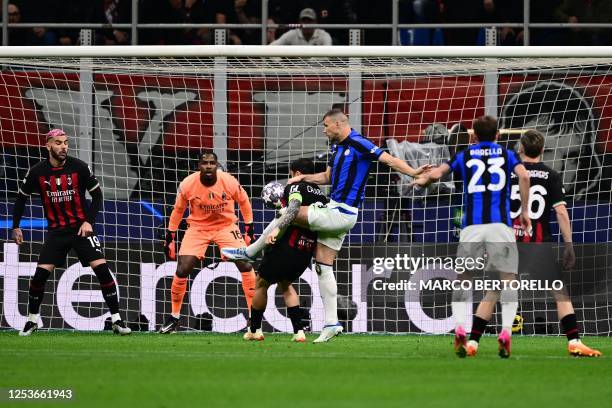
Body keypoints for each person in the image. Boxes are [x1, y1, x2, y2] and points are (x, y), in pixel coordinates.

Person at [224, 109, 431, 342]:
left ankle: (250, 252)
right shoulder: (335, 148)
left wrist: (414, 172)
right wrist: (303, 178)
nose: (324, 129)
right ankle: (332, 323)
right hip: (336, 211)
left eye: (326, 125)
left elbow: (389, 159)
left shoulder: (358, 142)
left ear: (338, 124)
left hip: (342, 212)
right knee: (323, 266)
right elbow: (327, 177)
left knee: (288, 212)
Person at [465, 130, 602, 357]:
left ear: (520, 148)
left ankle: (473, 343)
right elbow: (561, 213)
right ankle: (574, 341)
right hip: (537, 244)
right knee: (560, 293)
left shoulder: (508, 172)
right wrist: (569, 245)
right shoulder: (551, 175)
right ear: (542, 150)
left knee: (492, 293)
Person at [411, 115, 532, 358]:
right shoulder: (507, 154)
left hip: (472, 227)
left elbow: (437, 175)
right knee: (508, 278)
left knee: (463, 278)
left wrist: (421, 180)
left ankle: (459, 328)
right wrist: (525, 212)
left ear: (474, 136)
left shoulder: (463, 155)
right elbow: (525, 176)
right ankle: (506, 330)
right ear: (497, 135)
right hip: (500, 225)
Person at [11, 129, 131, 336]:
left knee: (102, 270)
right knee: (39, 276)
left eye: (66, 142)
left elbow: (98, 196)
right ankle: (32, 320)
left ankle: (117, 320)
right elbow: (21, 198)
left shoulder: (79, 167)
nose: (63, 146)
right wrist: (16, 226)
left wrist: (88, 222)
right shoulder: (37, 172)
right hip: (57, 232)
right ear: (48, 146)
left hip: (80, 230)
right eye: (58, 143)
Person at [158, 151, 257, 333]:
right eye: (205, 163)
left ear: (217, 165)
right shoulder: (188, 184)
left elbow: (244, 201)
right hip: (198, 228)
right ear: (199, 166)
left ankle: (254, 317)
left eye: (212, 163)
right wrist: (170, 237)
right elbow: (178, 210)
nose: (209, 166)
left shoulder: (229, 181)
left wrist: (249, 229)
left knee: (245, 264)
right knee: (183, 268)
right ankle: (174, 318)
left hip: (226, 227)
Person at [246, 158, 327, 342]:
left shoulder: (296, 187)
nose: (289, 179)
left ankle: (254, 330)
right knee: (286, 284)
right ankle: (299, 332)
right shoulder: (322, 196)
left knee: (261, 283)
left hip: (287, 246)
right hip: (305, 251)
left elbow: (293, 207)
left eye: (291, 175)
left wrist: (276, 228)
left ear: (298, 174)